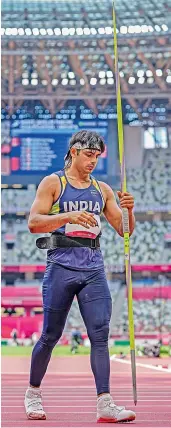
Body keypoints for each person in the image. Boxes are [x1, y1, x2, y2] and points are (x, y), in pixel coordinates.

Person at [24, 130, 136, 423]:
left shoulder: (102, 190)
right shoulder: (54, 183)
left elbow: (124, 230)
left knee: (100, 336)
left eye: (97, 156)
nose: (93, 161)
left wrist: (129, 211)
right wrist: (67, 217)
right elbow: (34, 223)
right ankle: (33, 393)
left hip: (93, 269)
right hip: (60, 266)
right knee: (50, 335)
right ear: (74, 151)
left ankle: (105, 403)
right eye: (88, 155)